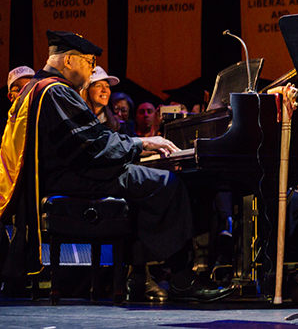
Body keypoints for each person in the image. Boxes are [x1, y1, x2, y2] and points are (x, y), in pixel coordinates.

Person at [0, 30, 233, 303]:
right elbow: (93, 145)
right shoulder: (56, 91)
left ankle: (137, 278)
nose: (91, 72)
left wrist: (133, 147)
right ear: (68, 61)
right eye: (89, 62)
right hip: (72, 177)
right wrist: (140, 144)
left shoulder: (34, 88)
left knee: (145, 185)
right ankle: (182, 279)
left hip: (56, 175)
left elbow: (86, 142)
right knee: (166, 184)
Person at [81, 66, 126, 134]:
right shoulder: (77, 123)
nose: (105, 90)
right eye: (98, 85)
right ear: (87, 90)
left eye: (107, 86)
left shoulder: (118, 126)